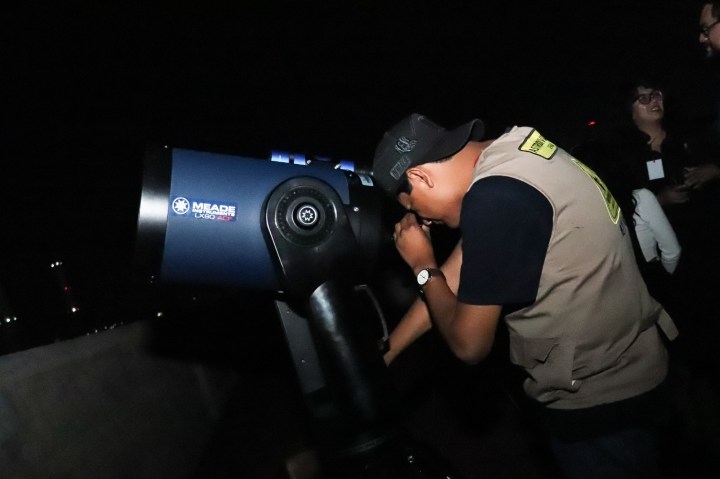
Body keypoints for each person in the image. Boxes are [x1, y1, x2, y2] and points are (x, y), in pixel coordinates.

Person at [371, 113, 678, 479]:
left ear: (421, 177)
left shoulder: (494, 198)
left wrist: (422, 264)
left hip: (598, 404)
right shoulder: (515, 156)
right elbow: (455, 276)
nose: (423, 221)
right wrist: (386, 353)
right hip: (633, 371)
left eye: (413, 207)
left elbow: (469, 345)